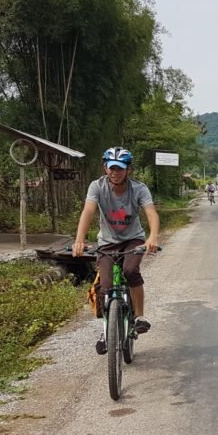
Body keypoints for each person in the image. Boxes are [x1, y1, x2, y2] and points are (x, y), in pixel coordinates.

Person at [73, 147, 160, 354]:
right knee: (105, 285)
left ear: (128, 170)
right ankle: (107, 331)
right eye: (111, 168)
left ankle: (138, 316)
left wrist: (153, 236)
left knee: (130, 271)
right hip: (107, 242)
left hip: (133, 240)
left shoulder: (139, 189)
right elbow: (88, 211)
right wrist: (79, 240)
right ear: (105, 168)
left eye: (120, 169)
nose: (115, 172)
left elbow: (151, 213)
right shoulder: (97, 186)